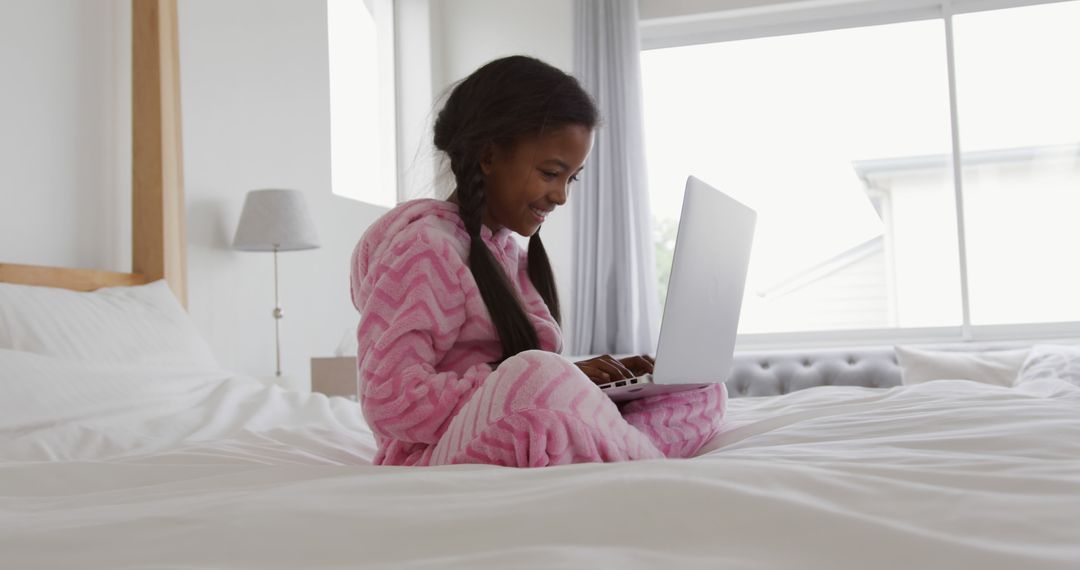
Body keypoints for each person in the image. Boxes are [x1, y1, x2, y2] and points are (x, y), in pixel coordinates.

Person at [350, 55, 726, 467]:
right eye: (550, 173)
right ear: (489, 157)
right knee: (536, 378)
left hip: (514, 420)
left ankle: (615, 446)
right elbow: (388, 400)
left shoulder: (508, 254)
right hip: (430, 454)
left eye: (572, 178)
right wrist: (551, 379)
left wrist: (589, 382)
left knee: (699, 387)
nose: (562, 195)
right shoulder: (425, 249)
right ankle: (636, 460)